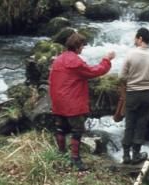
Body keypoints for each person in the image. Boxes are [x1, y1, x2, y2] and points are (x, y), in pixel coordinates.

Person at [49, 33, 115, 171]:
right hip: (71, 102)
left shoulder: (58, 59)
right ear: (78, 47)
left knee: (60, 128)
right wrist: (106, 60)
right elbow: (95, 71)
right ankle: (75, 159)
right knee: (77, 130)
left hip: (57, 101)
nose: (83, 49)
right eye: (82, 46)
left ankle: (60, 153)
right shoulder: (76, 62)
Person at [120, 27, 149, 165]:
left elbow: (122, 76)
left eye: (135, 38)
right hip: (148, 94)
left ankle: (126, 156)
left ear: (140, 39)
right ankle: (136, 155)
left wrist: (131, 81)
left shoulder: (130, 54)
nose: (134, 40)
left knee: (129, 123)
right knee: (141, 124)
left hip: (132, 93)